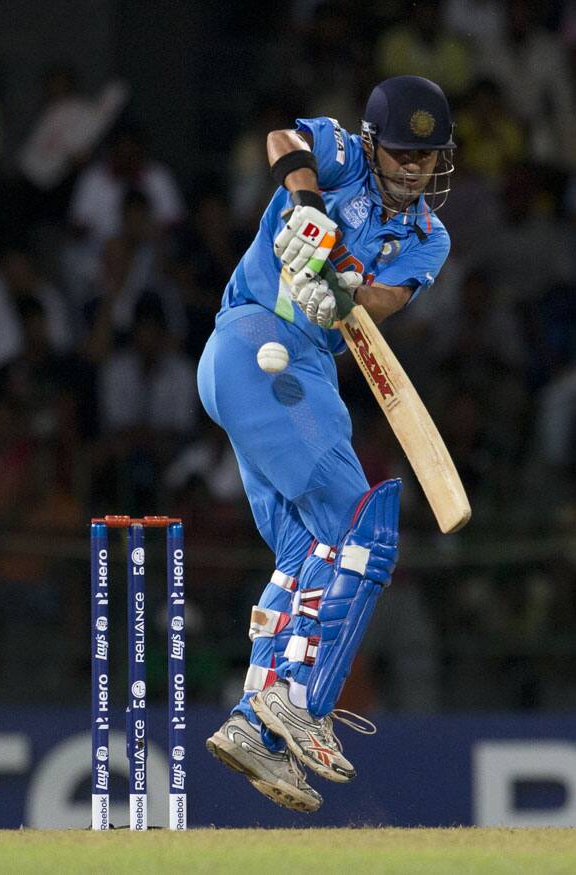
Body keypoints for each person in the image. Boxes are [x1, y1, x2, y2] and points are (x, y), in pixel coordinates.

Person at [197, 75, 455, 812]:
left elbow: (389, 298)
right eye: (402, 152)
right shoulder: (342, 155)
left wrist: (346, 288)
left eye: (426, 155)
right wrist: (308, 207)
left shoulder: (428, 236)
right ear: (375, 145)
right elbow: (282, 141)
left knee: (310, 548)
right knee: (363, 528)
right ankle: (304, 699)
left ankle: (255, 720)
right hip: (252, 338)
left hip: (301, 370)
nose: (412, 168)